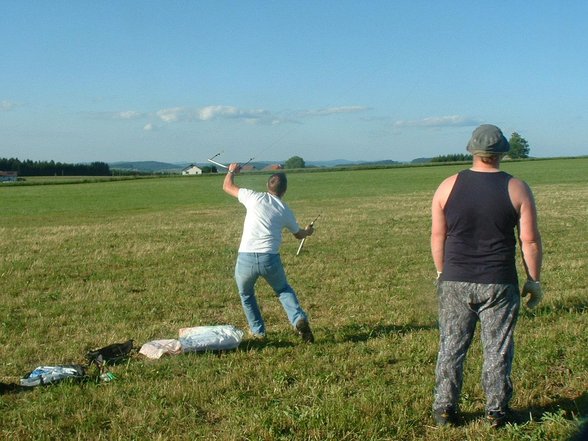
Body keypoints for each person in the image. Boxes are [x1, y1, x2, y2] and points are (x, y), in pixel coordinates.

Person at [430, 124, 543, 427]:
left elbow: (438, 235)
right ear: (503, 152)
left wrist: (442, 271)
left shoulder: (447, 185)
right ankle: (496, 412)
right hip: (499, 281)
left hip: (455, 279)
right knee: (497, 348)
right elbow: (529, 240)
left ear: (472, 150)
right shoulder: (517, 187)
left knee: (451, 345)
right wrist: (534, 279)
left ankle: (444, 409)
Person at [223, 163, 315, 343]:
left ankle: (258, 332)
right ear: (284, 190)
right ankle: (298, 319)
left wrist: (232, 171)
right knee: (282, 290)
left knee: (246, 294)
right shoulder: (284, 209)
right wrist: (308, 232)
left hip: (246, 258)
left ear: (267, 186)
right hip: (270, 258)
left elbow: (227, 186)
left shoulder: (253, 197)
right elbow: (298, 235)